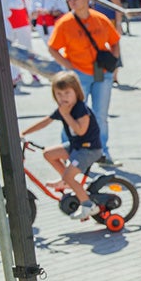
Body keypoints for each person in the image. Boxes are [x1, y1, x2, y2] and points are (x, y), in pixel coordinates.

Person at [47, 0, 120, 166]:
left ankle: (102, 151)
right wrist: (69, 67)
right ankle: (69, 150)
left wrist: (113, 60)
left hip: (101, 72)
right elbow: (53, 48)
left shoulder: (100, 19)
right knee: (70, 113)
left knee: (100, 113)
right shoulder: (64, 23)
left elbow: (114, 40)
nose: (72, 0)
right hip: (78, 76)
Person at [19, 71, 103, 221]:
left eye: (67, 93)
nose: (63, 98)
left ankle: (88, 204)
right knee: (48, 154)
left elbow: (80, 130)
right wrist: (23, 132)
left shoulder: (80, 109)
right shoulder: (63, 109)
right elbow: (46, 121)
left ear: (76, 92)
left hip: (89, 149)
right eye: (59, 94)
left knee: (69, 175)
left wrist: (65, 115)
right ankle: (67, 181)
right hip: (76, 146)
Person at [0, 0, 35, 86]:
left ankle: (33, 71)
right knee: (11, 51)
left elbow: (30, 9)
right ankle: (15, 74)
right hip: (8, 27)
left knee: (27, 49)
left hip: (22, 26)